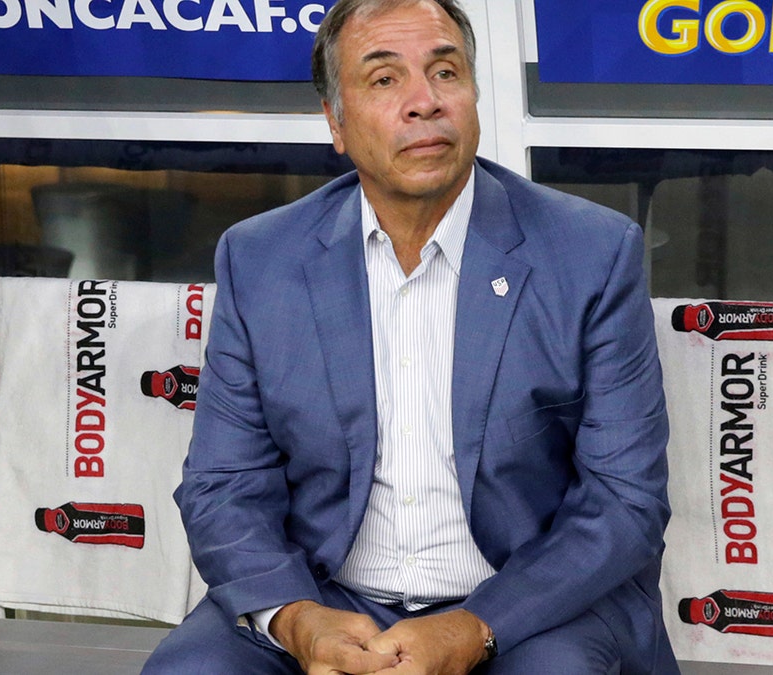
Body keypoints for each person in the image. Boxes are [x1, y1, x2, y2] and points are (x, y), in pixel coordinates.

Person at [144, 0, 677, 672]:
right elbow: (223, 486)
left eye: (446, 72)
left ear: (475, 95)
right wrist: (300, 619)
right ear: (336, 122)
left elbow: (623, 499)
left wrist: (475, 625)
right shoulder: (260, 259)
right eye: (384, 79)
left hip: (530, 604)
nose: (425, 102)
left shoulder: (591, 252)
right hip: (328, 597)